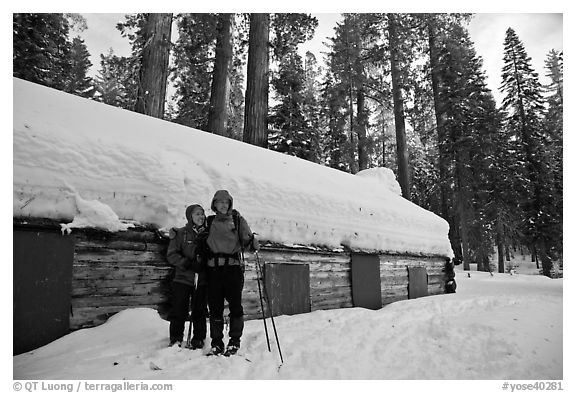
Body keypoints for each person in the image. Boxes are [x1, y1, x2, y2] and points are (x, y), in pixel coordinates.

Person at [197, 190, 259, 356]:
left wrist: (253, 243)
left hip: (232, 270)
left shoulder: (237, 220)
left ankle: (234, 341)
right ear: (214, 204)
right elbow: (199, 239)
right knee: (215, 308)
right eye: (220, 202)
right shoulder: (209, 222)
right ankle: (217, 343)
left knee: (235, 307)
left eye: (226, 202)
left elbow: (248, 242)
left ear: (230, 204)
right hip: (213, 271)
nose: (223, 205)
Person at [166, 204, 209, 349]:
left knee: (200, 310)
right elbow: (171, 255)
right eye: (197, 214)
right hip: (183, 278)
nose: (200, 217)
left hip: (201, 280)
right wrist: (188, 264)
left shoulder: (208, 234)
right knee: (179, 309)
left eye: (202, 214)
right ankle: (176, 338)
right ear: (190, 216)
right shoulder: (181, 234)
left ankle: (199, 338)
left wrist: (204, 263)